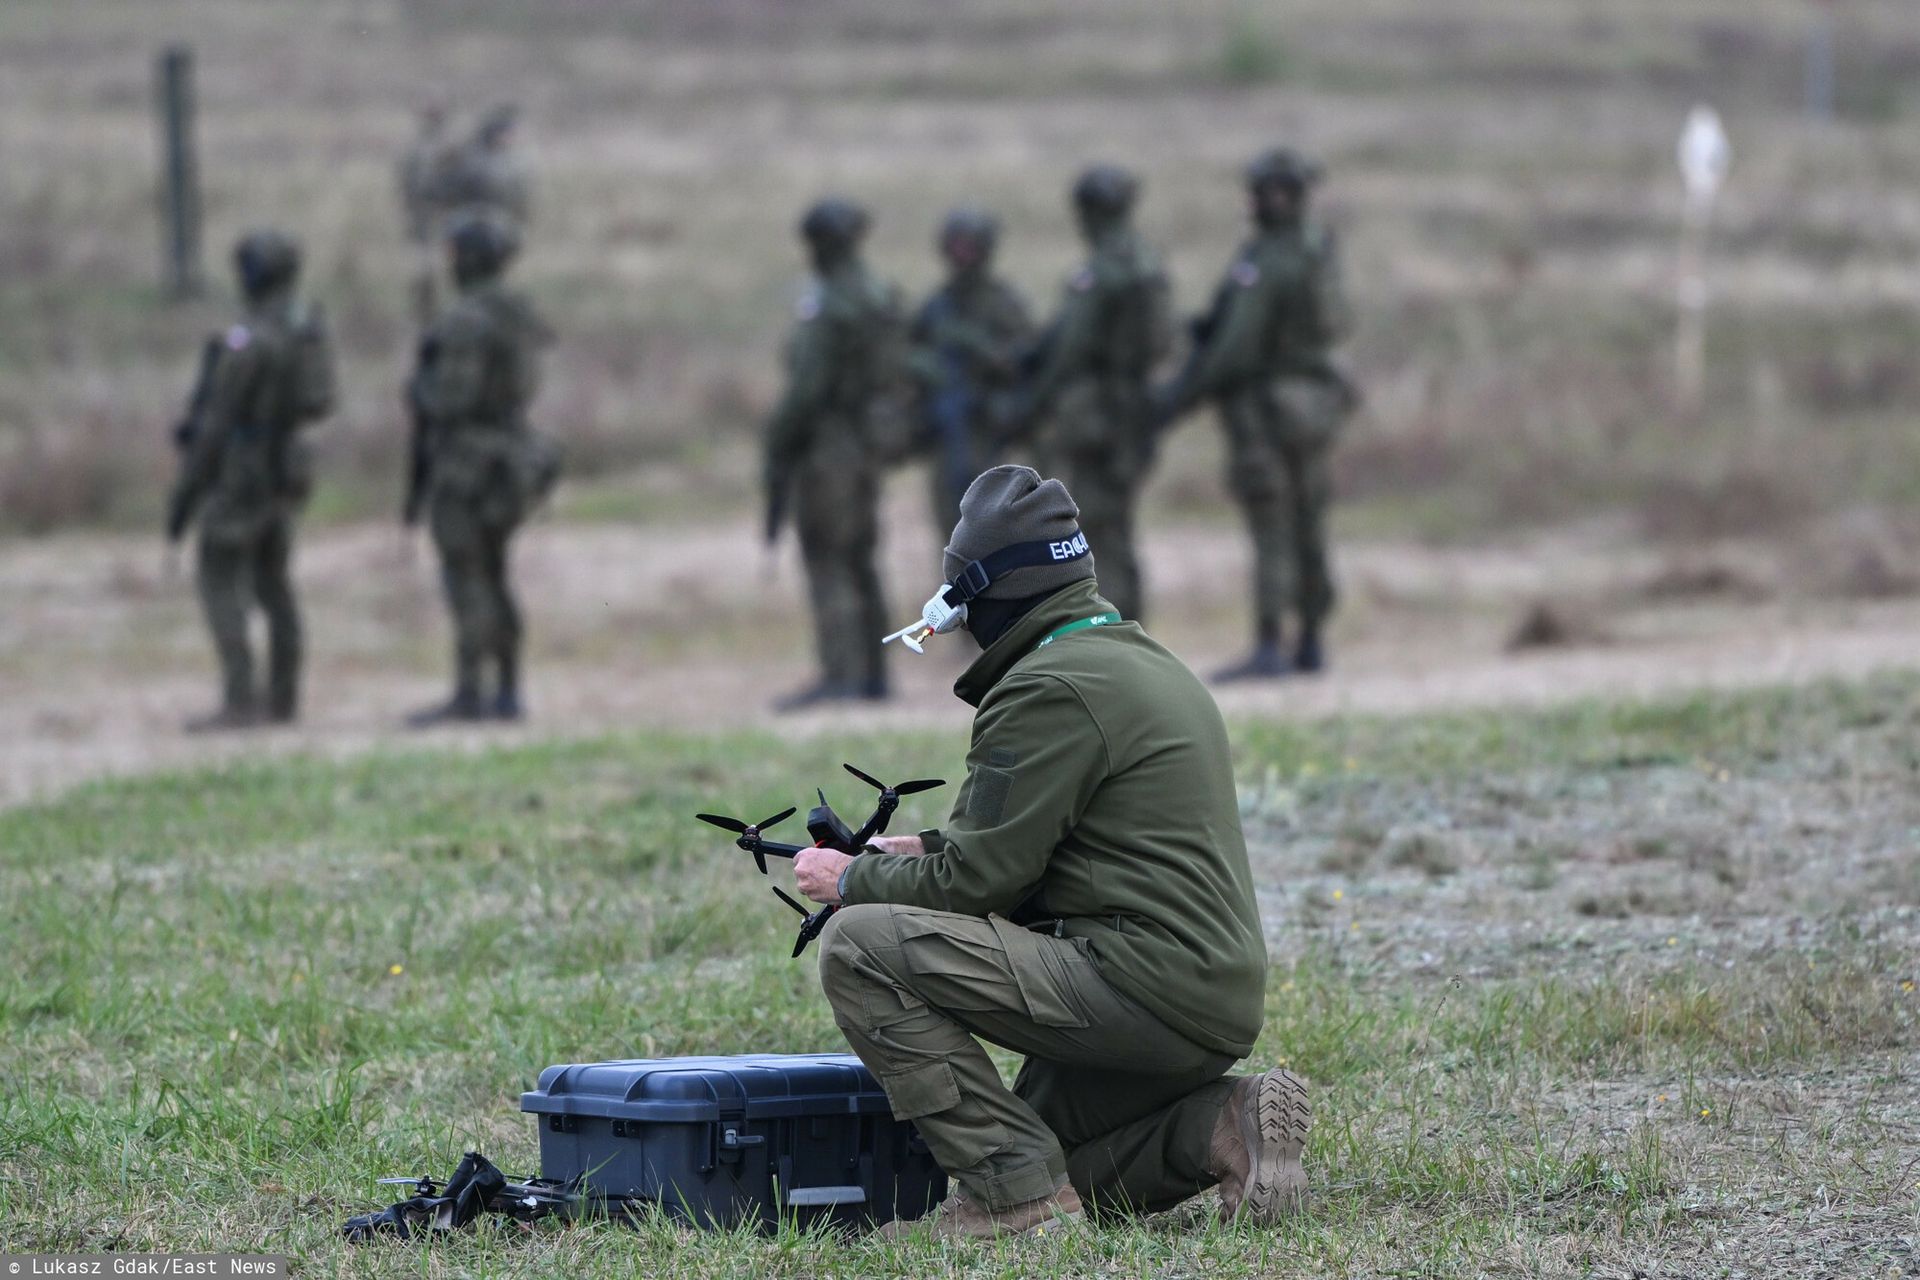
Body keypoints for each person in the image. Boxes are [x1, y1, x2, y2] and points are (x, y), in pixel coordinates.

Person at [792, 465, 1305, 1238]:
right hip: (1209, 998)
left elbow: (978, 880)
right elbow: (1058, 837)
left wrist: (853, 878)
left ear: (977, 594)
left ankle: (1013, 1202)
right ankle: (1220, 1126)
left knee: (860, 945)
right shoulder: (1138, 661)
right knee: (1047, 1152)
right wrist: (919, 847)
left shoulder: (1046, 687)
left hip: (1139, 985)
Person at [1156, 148, 1355, 678]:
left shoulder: (1268, 260)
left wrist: (1181, 395)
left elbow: (1234, 348)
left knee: (1272, 524)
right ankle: (1311, 639)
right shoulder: (1317, 248)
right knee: (1309, 520)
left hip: (1266, 412)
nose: (1256, 202)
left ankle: (1270, 644)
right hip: (1314, 406)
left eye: (1264, 192)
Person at [166, 230, 336, 731]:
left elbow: (216, 423)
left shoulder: (248, 342)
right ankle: (283, 700)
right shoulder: (305, 331)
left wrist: (185, 496)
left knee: (220, 576)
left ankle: (240, 699)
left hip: (243, 473)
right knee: (274, 581)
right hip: (288, 468)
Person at [404, 211, 558, 724]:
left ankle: (471, 691)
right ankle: (508, 688)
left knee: (467, 575)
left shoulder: (466, 319)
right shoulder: (516, 311)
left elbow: (452, 398)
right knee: (495, 574)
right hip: (511, 455)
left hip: (468, 462)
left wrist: (419, 388)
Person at [1000, 165, 1171, 625]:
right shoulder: (1145, 261)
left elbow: (1070, 350)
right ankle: (1132, 630)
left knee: (1094, 528)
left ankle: (1112, 633)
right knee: (1116, 525)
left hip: (1100, 417)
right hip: (1132, 408)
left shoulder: (1103, 270)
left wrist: (1030, 405)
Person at [762, 197, 905, 711]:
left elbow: (807, 387)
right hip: (869, 440)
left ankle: (840, 674)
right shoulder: (878, 294)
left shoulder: (829, 302)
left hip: (829, 446)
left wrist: (778, 441)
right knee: (863, 556)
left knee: (828, 556)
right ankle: (876, 673)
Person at [907, 206, 1034, 553]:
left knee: (992, 537)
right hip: (946, 435)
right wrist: (925, 367)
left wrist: (977, 347)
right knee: (951, 538)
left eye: (969, 247)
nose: (961, 256)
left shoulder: (1003, 303)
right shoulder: (938, 304)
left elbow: (1024, 363)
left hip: (986, 434)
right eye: (955, 246)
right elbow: (907, 352)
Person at [398, 98, 460, 324]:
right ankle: (424, 309)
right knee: (423, 267)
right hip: (422, 217)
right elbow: (406, 182)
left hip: (442, 215)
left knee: (442, 264)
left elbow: (457, 180)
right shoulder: (417, 149)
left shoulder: (449, 148)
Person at [446, 104, 531, 232]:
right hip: (474, 220)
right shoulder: (474, 160)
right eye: (505, 134)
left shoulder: (513, 162)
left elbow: (519, 200)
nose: (509, 139)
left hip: (502, 221)